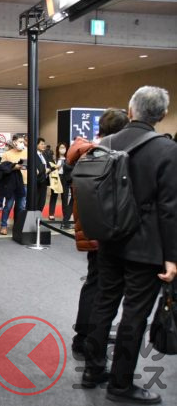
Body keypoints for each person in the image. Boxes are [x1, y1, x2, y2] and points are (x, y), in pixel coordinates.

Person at [82, 87, 177, 404]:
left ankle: (92, 370)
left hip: (110, 239)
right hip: (147, 247)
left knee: (104, 303)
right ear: (162, 115)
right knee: (134, 315)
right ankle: (120, 385)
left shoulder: (106, 143)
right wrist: (172, 257)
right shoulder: (167, 150)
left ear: (131, 109)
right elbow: (170, 209)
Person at [68, 108, 129, 358]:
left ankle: (87, 334)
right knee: (99, 286)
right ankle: (86, 338)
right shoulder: (102, 155)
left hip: (91, 228)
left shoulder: (86, 152)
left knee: (95, 283)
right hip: (102, 231)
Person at [0, 134, 27, 235]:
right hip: (11, 184)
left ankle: (17, 225)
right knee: (8, 206)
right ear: (14, 142)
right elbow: (2, 168)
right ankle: (4, 225)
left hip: (24, 183)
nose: (22, 144)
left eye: (23, 142)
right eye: (20, 142)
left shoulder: (28, 152)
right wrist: (14, 167)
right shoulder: (7, 154)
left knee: (21, 206)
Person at [48, 142, 73, 227]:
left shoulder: (68, 159)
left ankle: (65, 216)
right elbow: (51, 168)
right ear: (58, 149)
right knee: (54, 196)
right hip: (56, 177)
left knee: (64, 197)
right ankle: (51, 214)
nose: (62, 149)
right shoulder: (54, 159)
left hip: (65, 179)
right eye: (61, 148)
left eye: (64, 148)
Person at [34, 137, 50, 211]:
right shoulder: (33, 155)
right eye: (42, 144)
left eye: (44, 144)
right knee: (36, 200)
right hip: (37, 181)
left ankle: (39, 215)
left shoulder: (44, 155)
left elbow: (48, 165)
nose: (44, 145)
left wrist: (50, 169)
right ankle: (35, 216)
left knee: (42, 201)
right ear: (36, 145)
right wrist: (44, 170)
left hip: (44, 180)